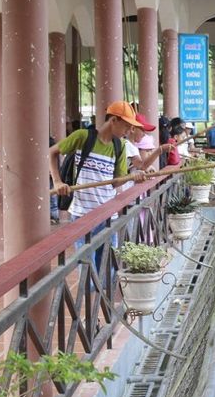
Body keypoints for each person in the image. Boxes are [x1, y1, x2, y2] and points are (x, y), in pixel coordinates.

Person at [50, 101, 146, 287]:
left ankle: (103, 305)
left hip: (107, 213)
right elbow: (52, 152)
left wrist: (132, 176)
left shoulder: (120, 146)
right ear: (113, 120)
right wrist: (57, 181)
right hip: (82, 214)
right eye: (126, 126)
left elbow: (117, 180)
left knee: (108, 265)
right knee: (87, 268)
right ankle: (90, 306)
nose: (128, 131)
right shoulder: (83, 137)